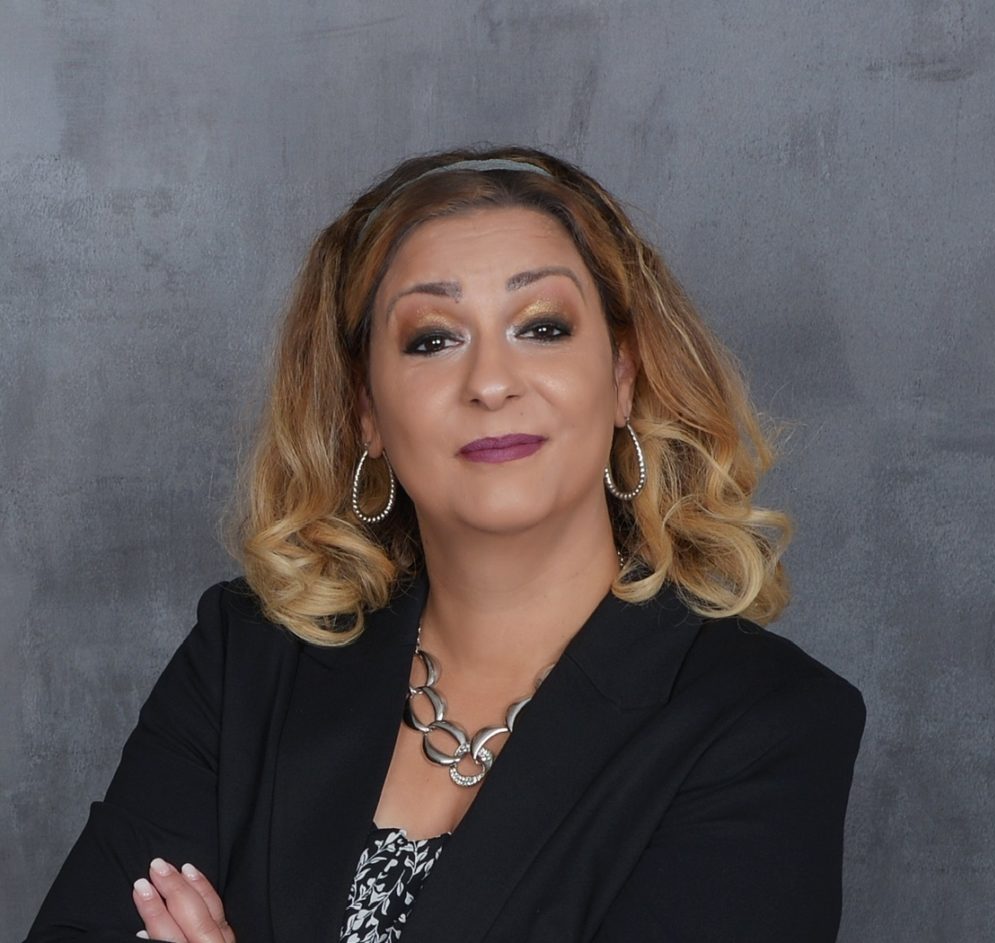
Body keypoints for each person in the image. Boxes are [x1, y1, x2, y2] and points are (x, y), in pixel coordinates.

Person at [24, 147, 866, 943]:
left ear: (621, 376)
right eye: (432, 339)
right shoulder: (246, 656)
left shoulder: (767, 724)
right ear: (366, 408)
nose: (491, 382)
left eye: (542, 326)